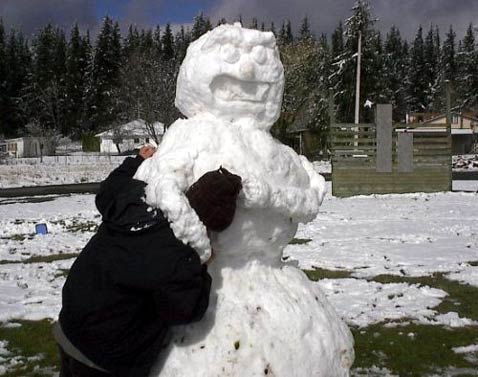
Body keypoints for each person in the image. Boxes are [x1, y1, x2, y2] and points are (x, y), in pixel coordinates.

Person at [55, 145, 242, 377]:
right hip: (105, 354)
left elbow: (109, 189)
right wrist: (201, 265)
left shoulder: (136, 198)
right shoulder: (179, 255)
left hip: (72, 318)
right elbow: (186, 311)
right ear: (209, 225)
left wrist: (136, 161)